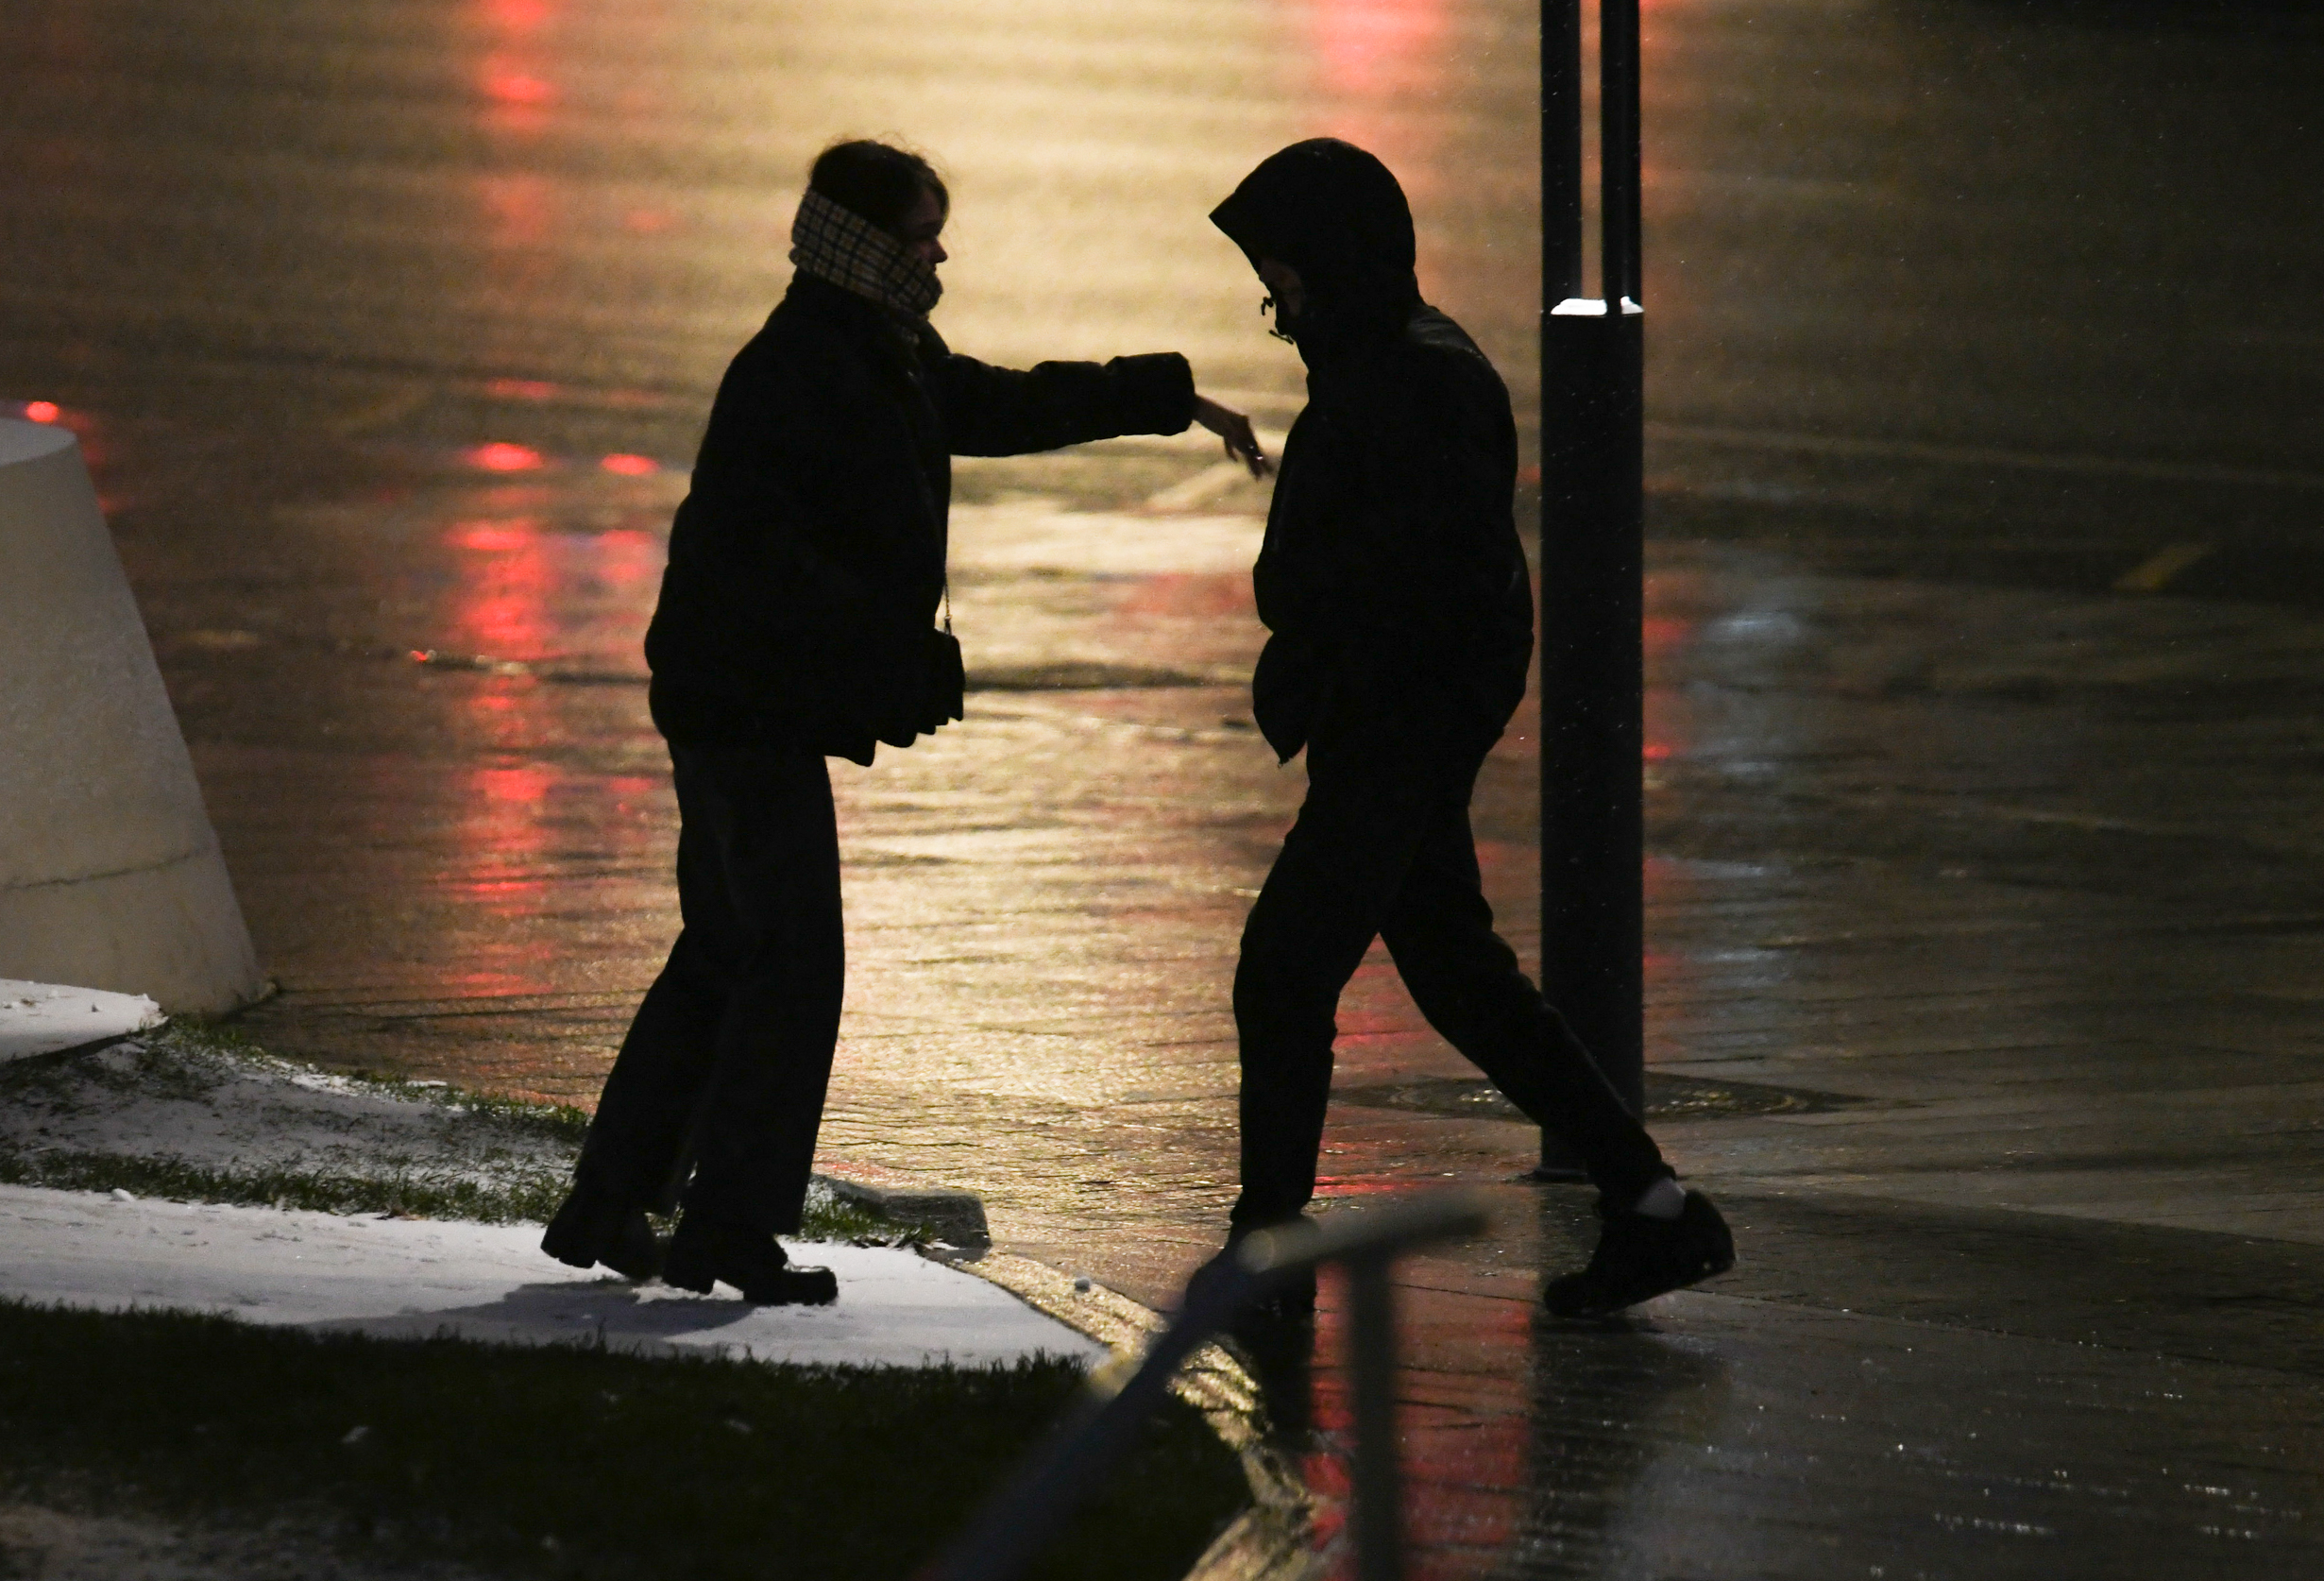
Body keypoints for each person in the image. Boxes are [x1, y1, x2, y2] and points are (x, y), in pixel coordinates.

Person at [543, 140, 1269, 1306]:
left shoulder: (872, 346)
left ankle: (612, 1201)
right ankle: (725, 1229)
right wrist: (882, 659)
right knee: (790, 961)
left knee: (729, 951)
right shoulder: (803, 364)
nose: (939, 253)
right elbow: (764, 566)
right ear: (865, 242)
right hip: (740, 710)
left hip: (734, 702)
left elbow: (991, 403)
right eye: (923, 233)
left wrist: (1163, 395)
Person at [1209, 138, 1733, 1319]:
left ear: (1332, 265)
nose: (1272, 300)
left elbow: (1408, 579)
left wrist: (1335, 655)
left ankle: (1266, 1253)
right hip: (1391, 728)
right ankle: (1650, 1206)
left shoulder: (1409, 380)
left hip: (1394, 731)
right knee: (1458, 976)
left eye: (1281, 273)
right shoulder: (1387, 360)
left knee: (1284, 971)